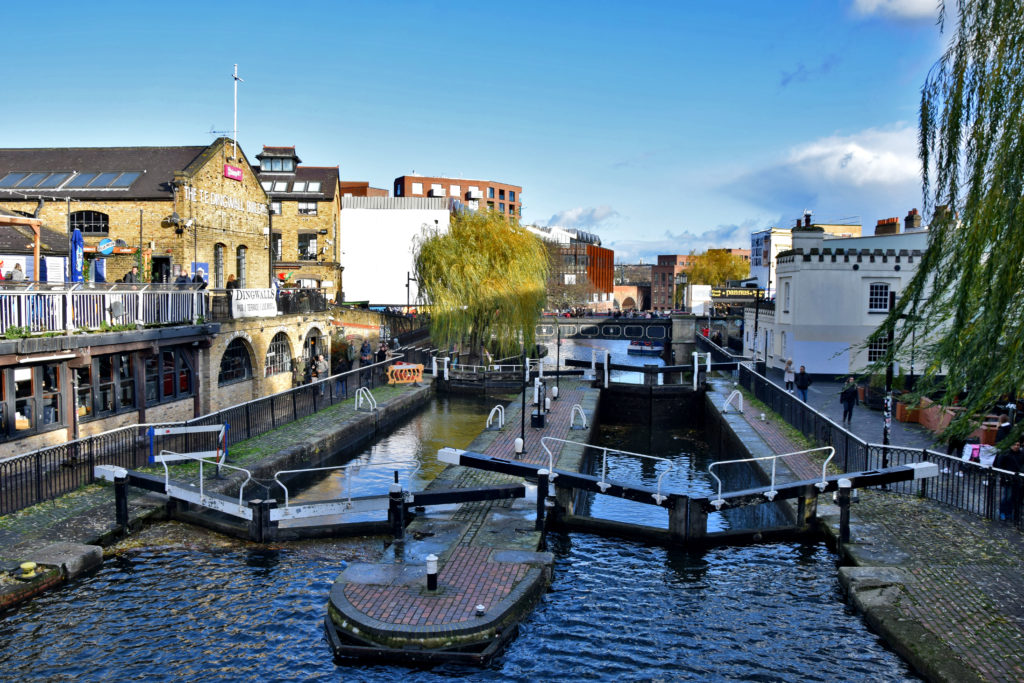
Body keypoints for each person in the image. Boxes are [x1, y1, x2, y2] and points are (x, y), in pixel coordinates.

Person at [993, 440, 1023, 521]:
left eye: (1018, 445)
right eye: (1015, 444)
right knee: (1007, 495)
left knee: (1012, 496)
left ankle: (1008, 512)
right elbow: (999, 465)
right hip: (1007, 479)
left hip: (1016, 479)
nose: (1016, 446)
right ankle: (1002, 511)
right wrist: (1003, 476)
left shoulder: (1021, 454)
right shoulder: (1006, 453)